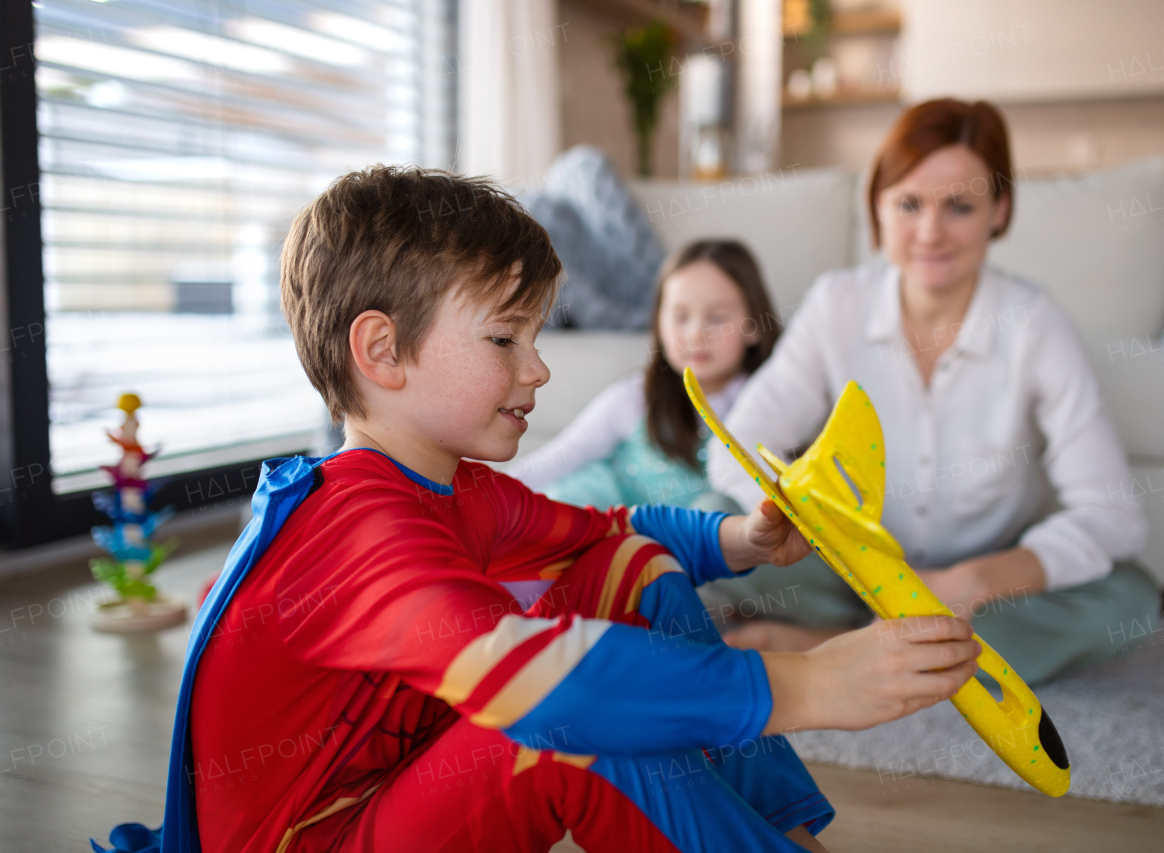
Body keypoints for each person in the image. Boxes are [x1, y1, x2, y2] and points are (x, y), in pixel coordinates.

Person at [93, 166, 982, 853]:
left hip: (389, 789)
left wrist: (741, 538)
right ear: (382, 350)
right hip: (319, 835)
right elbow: (547, 680)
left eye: (537, 336)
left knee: (629, 570)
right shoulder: (352, 527)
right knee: (564, 723)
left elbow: (615, 533)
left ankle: (780, 832)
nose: (538, 368)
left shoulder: (453, 485)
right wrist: (811, 684)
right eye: (503, 337)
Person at [704, 99, 1162, 687]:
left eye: (960, 207)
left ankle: (834, 647)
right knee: (711, 522)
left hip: (979, 592)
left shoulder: (1035, 324)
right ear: (877, 207)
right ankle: (922, 656)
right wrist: (828, 538)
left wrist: (976, 581)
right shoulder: (836, 303)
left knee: (1130, 598)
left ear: (999, 211)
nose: (930, 233)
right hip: (849, 573)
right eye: (909, 204)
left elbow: (1111, 515)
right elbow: (735, 446)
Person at [507, 240, 779, 514]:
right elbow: (555, 461)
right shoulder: (636, 396)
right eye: (681, 317)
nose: (696, 334)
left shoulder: (774, 403)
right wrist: (487, 494)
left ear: (754, 326)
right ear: (659, 325)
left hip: (697, 547)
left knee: (717, 510)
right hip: (607, 534)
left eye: (717, 317)